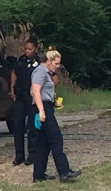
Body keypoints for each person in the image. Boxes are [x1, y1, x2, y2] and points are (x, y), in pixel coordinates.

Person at [30, 48, 82, 183]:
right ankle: (64, 171)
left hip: (47, 106)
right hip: (42, 107)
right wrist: (41, 111)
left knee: (44, 143)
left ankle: (39, 174)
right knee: (56, 138)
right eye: (56, 64)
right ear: (48, 61)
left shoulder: (47, 73)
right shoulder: (40, 72)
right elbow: (35, 91)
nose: (58, 67)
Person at [10, 38, 40, 166]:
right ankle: (19, 155)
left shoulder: (40, 62)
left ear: (35, 49)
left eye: (30, 49)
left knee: (32, 127)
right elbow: (14, 73)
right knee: (17, 126)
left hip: (32, 97)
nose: (27, 51)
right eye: (25, 49)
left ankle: (32, 155)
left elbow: (52, 78)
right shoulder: (20, 60)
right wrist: (12, 88)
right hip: (20, 96)